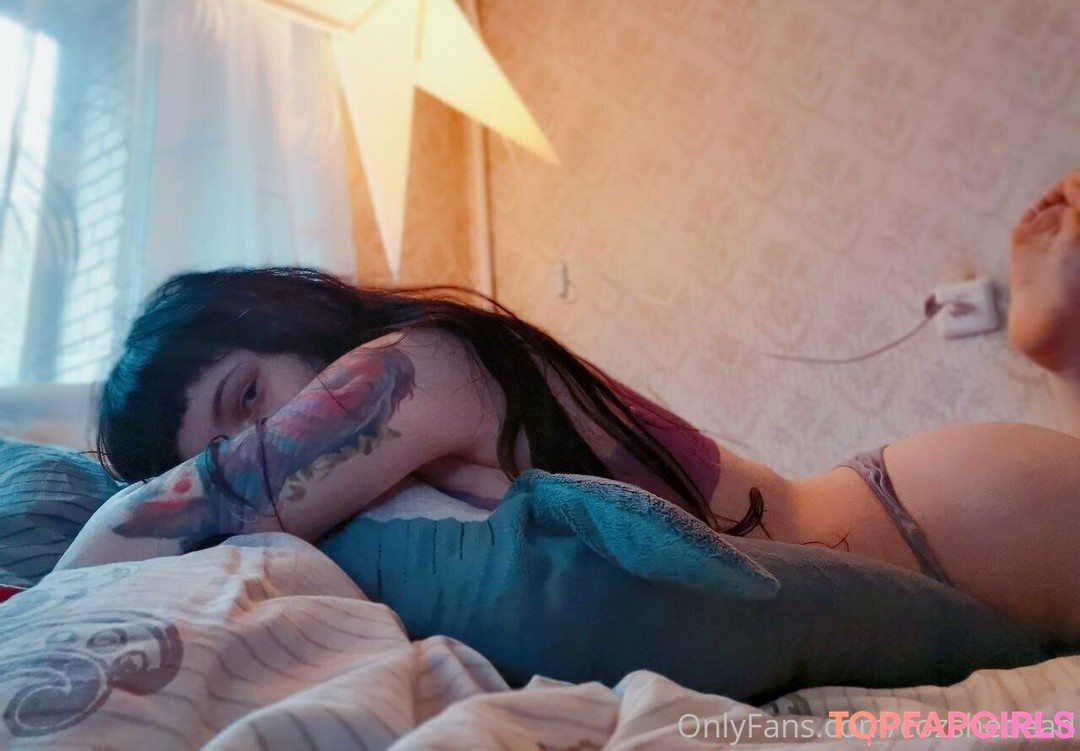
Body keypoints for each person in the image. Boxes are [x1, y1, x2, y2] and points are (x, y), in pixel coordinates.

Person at [58, 170, 1080, 649]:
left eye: (248, 398)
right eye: (221, 442)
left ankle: (1057, 343)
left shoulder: (414, 364)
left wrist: (36, 600)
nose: (263, 442)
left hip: (931, 519)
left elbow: (185, 516)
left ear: (293, 322)